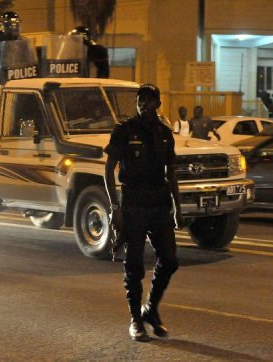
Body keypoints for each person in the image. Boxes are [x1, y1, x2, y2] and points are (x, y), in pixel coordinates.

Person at [104, 84, 183, 342]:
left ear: (158, 104)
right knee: (134, 265)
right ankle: (135, 320)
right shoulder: (124, 131)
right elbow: (109, 168)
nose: (143, 104)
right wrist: (115, 207)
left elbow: (170, 172)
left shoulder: (164, 133)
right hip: (134, 203)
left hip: (159, 203)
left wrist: (178, 207)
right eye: (140, 100)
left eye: (149, 100)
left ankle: (150, 309)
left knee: (170, 260)